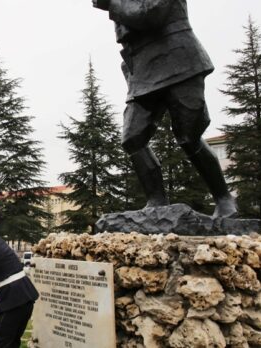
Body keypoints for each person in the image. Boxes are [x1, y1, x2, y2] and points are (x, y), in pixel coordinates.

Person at [91, 0, 237, 218]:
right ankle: (156, 202)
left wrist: (110, 3)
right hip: (142, 68)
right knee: (133, 138)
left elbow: (152, 13)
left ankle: (225, 200)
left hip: (178, 57)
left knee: (189, 135)